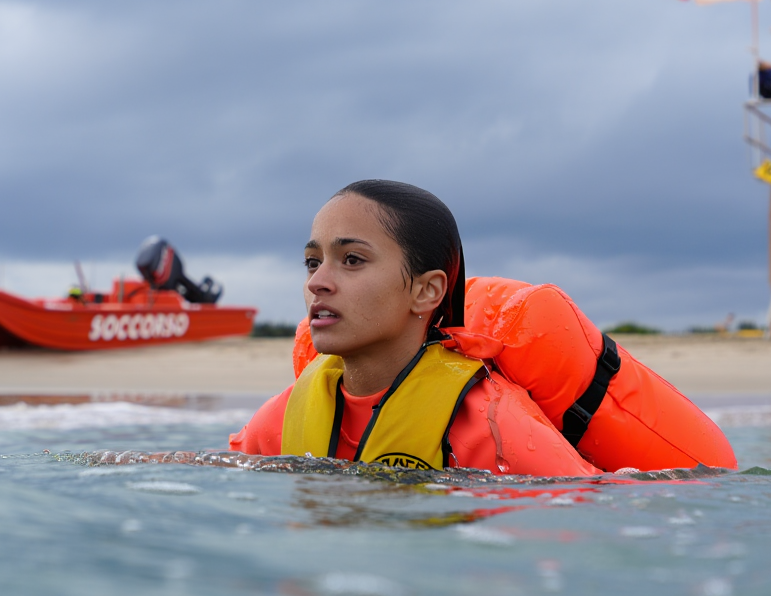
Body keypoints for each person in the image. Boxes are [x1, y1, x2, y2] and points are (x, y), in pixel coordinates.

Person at [230, 179, 599, 476]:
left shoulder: (495, 427)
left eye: (352, 259)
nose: (318, 282)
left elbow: (581, 524)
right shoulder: (278, 419)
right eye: (312, 262)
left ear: (427, 291)